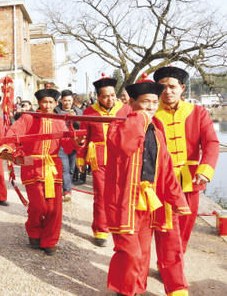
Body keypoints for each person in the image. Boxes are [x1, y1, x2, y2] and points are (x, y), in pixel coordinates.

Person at [104, 77, 191, 296]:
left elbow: (167, 171)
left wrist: (178, 201)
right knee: (129, 251)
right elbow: (124, 147)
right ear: (131, 103)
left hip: (148, 200)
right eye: (145, 102)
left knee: (143, 252)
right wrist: (139, 117)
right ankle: (124, 290)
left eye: (154, 102)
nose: (151, 107)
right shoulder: (120, 125)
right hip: (124, 200)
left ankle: (136, 289)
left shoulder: (157, 132)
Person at [153, 66, 219, 253]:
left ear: (182, 88)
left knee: (185, 225)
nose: (168, 91)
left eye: (172, 86)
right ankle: (167, 263)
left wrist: (205, 171)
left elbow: (211, 143)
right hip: (161, 179)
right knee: (163, 224)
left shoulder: (198, 113)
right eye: (163, 87)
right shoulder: (151, 113)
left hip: (190, 179)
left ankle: (177, 260)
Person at [0, 87, 69, 255]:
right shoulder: (29, 117)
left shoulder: (60, 120)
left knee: (54, 208)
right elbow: (14, 132)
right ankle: (34, 231)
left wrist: (78, 140)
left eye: (51, 102)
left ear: (55, 103)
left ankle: (50, 240)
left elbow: (67, 144)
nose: (47, 105)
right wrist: (8, 147)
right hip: (32, 166)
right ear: (39, 103)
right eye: (44, 102)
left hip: (53, 167)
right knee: (38, 205)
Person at [76, 73, 133, 247]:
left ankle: (121, 225)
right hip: (98, 157)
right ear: (98, 97)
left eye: (112, 95)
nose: (110, 99)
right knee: (101, 195)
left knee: (122, 193)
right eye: (105, 96)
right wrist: (80, 159)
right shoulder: (89, 112)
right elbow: (83, 137)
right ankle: (101, 229)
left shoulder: (126, 110)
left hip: (121, 157)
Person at [54, 90, 81, 201]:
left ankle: (66, 188)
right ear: (61, 100)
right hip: (61, 143)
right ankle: (67, 191)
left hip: (73, 143)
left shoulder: (78, 112)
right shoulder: (56, 111)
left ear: (72, 101)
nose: (67, 103)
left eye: (69, 100)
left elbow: (82, 126)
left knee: (71, 168)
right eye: (65, 100)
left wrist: (75, 119)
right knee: (64, 168)